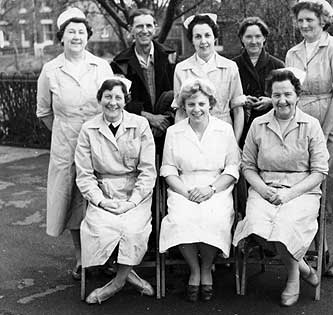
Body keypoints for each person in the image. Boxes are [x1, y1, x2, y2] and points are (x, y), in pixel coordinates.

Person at [233, 69, 329, 306]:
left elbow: (320, 171)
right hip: (265, 188)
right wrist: (263, 190)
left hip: (301, 191)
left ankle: (293, 278)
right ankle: (305, 268)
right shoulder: (258, 124)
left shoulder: (311, 125)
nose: (282, 100)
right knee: (256, 226)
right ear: (270, 96)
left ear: (298, 95)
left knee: (284, 225)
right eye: (276, 95)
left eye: (287, 94)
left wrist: (290, 194)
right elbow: (247, 166)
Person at [36, 7, 113, 280]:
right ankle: (82, 259)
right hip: (66, 145)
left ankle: (103, 256)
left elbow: (112, 104)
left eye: (81, 32)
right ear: (62, 37)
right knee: (73, 202)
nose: (77, 36)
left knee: (101, 198)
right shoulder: (50, 70)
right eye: (71, 32)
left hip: (99, 142)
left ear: (88, 36)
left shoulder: (101, 66)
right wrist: (64, 131)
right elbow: (44, 112)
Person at [285, 0, 333, 277]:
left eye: (310, 21)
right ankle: (321, 247)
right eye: (301, 21)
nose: (305, 25)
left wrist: (324, 133)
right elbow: (290, 92)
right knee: (309, 186)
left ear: (323, 20)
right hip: (304, 122)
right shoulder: (293, 53)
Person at [75, 77, 156, 304]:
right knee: (100, 229)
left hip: (135, 195)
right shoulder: (88, 129)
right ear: (100, 99)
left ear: (125, 100)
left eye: (118, 97)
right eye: (108, 97)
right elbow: (84, 174)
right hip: (103, 193)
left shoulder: (140, 125)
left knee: (132, 230)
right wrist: (100, 201)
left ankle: (116, 283)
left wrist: (133, 201)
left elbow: (148, 171)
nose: (113, 102)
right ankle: (129, 275)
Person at [159, 78, 241, 302]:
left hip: (216, 187)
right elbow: (168, 170)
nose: (196, 109)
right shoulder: (174, 132)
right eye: (191, 104)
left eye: (201, 104)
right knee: (180, 219)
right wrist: (186, 193)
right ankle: (194, 269)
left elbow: (233, 167)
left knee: (212, 218)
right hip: (183, 187)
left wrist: (211, 189)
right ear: (184, 106)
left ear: (210, 105)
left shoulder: (224, 130)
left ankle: (207, 268)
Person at [173, 13, 246, 143]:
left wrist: (234, 142)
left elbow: (238, 109)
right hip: (192, 136)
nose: (203, 41)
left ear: (215, 37)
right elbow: (180, 111)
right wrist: (180, 142)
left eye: (207, 35)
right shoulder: (181, 69)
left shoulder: (230, 67)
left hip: (223, 135)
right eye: (198, 37)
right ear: (192, 40)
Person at [111, 8, 176, 152]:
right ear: (130, 29)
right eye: (139, 26)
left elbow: (177, 94)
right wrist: (150, 119)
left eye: (149, 26)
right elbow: (120, 100)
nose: (144, 30)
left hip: (168, 130)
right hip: (134, 133)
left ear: (155, 28)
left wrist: (164, 121)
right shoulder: (120, 63)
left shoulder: (170, 57)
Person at [233, 16, 284, 147]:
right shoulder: (232, 65)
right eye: (248, 37)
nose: (253, 41)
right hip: (241, 125)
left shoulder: (277, 65)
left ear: (264, 38)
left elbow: (288, 95)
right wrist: (242, 100)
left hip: (271, 125)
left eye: (258, 36)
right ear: (242, 39)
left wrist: (270, 101)